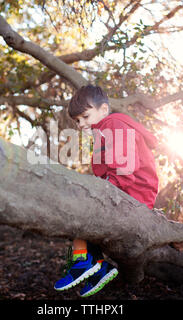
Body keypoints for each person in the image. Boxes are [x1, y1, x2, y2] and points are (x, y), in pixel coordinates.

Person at [54, 84, 159, 297]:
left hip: (132, 194)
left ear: (103, 109)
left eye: (85, 116)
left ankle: (87, 263)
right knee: (78, 204)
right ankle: (95, 267)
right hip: (128, 191)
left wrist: (101, 193)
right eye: (77, 121)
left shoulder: (114, 124)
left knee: (80, 207)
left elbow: (123, 169)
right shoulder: (105, 129)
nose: (81, 124)